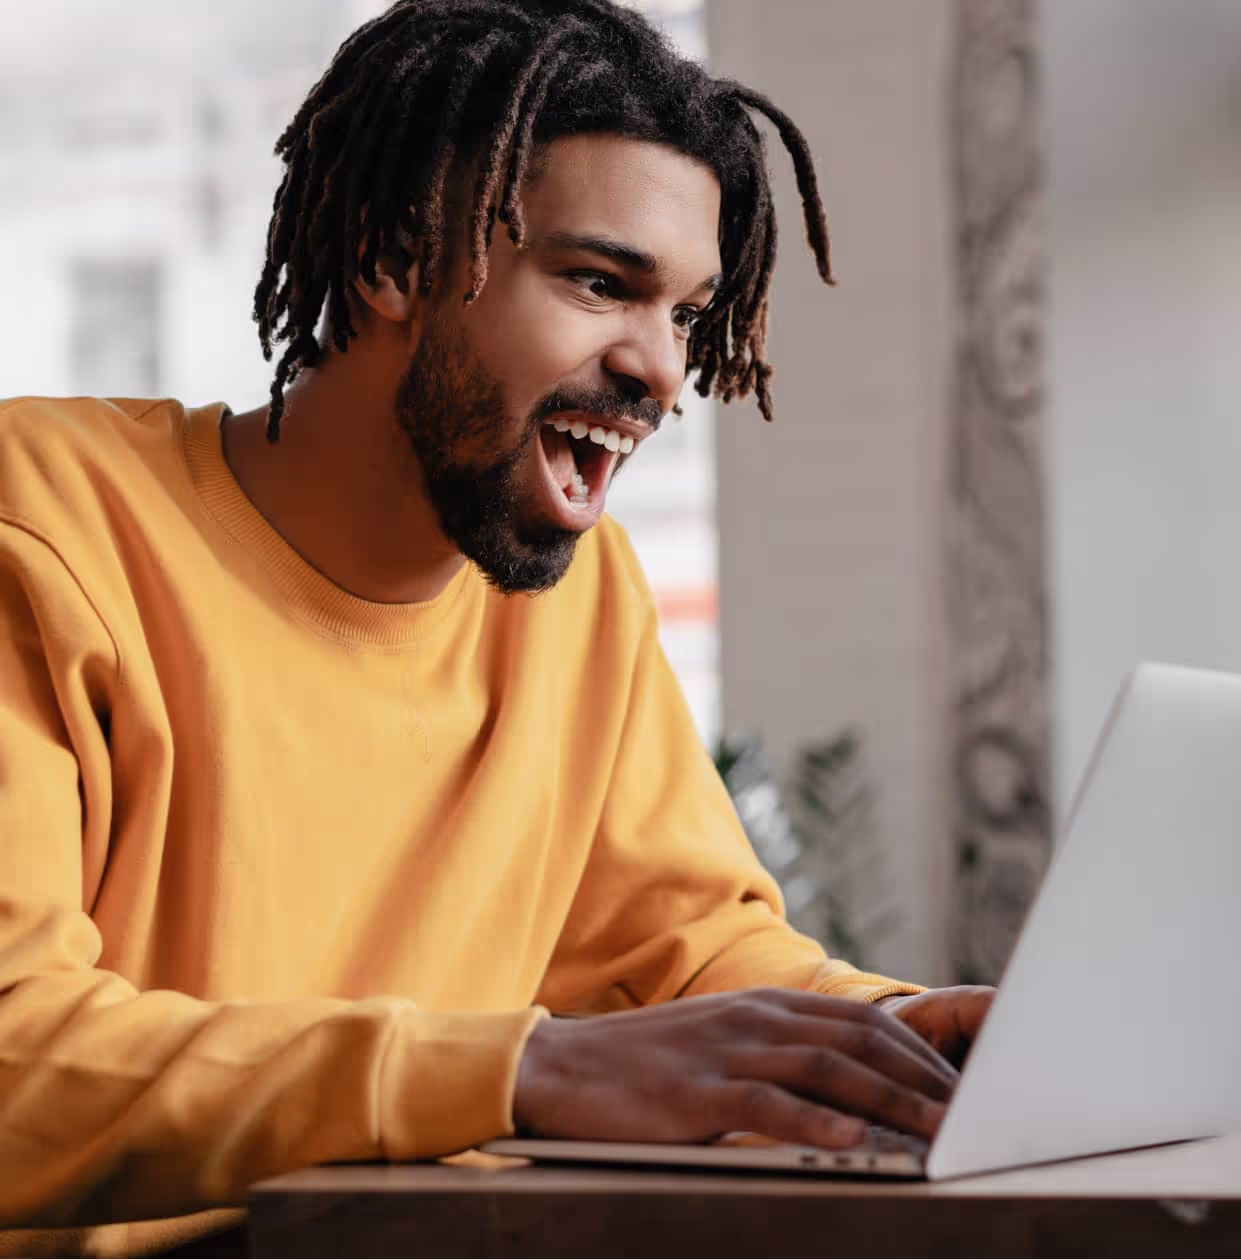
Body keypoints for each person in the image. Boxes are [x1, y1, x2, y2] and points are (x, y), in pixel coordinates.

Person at [0, 1, 993, 1253]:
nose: (661, 371)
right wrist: (517, 1071)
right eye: (598, 282)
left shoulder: (579, 595)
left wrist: (904, 1034)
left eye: (684, 313)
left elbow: (682, 958)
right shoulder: (41, 523)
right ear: (393, 259)